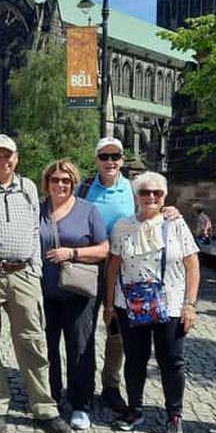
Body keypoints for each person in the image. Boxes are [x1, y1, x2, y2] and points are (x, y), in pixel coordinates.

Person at [0, 134, 70, 433]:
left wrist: (35, 269)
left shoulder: (28, 187)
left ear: (16, 158)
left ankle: (44, 406)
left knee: (33, 340)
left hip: (23, 274)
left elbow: (34, 230)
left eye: (8, 155)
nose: (3, 161)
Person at [104, 172, 199, 433]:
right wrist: (108, 305)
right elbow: (113, 267)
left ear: (165, 196)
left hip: (170, 304)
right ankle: (135, 409)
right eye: (145, 192)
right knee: (135, 359)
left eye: (157, 193)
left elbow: (192, 265)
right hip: (130, 304)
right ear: (136, 196)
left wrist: (190, 304)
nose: (151, 197)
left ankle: (174, 417)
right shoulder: (123, 226)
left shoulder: (176, 223)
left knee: (171, 361)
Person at [38, 159, 109, 431]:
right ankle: (52, 397)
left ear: (73, 183)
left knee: (79, 347)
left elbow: (104, 249)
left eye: (66, 180)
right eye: (55, 180)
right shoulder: (38, 209)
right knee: (47, 347)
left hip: (79, 293)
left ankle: (80, 403)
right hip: (44, 290)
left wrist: (73, 253)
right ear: (47, 182)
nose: (60, 184)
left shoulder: (87, 210)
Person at [76, 137, 134, 414]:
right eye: (104, 156)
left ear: (122, 160)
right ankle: (83, 385)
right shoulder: (84, 187)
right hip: (90, 265)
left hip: (124, 267)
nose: (110, 161)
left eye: (115, 156)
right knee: (84, 327)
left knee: (116, 329)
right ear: (96, 159)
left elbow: (153, 211)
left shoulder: (133, 189)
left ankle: (111, 385)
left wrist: (169, 210)